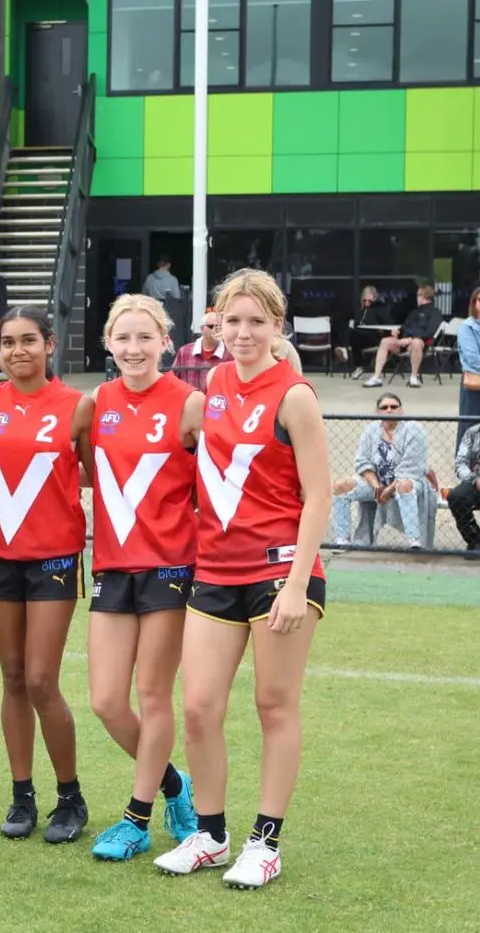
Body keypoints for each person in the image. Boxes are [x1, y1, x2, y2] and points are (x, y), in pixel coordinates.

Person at [154, 269, 329, 889]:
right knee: (199, 707)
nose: (244, 332)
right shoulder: (210, 387)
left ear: (278, 327)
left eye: (257, 321)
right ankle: (211, 834)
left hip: (280, 570)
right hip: (216, 572)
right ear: (216, 324)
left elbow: (318, 497)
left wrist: (296, 583)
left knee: (273, 705)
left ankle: (267, 842)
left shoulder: (295, 395)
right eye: (233, 321)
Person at [0, 306, 92, 845]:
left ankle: (71, 796)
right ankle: (22, 794)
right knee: (14, 677)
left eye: (28, 341)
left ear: (50, 344)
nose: (18, 351)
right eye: (8, 342)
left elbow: (97, 473)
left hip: (54, 557)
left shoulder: (76, 406)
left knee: (42, 679)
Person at [85, 293, 201, 862]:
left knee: (153, 695)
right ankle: (175, 786)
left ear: (165, 343)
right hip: (111, 566)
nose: (133, 348)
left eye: (144, 338)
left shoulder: (189, 403)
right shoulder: (97, 401)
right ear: (109, 343)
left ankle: (137, 818)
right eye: (123, 338)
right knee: (106, 700)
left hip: (170, 568)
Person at [329, 393, 429, 549]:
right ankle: (342, 540)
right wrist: (376, 486)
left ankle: (415, 541)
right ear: (378, 411)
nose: (389, 410)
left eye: (394, 407)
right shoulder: (371, 430)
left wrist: (389, 489)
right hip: (377, 484)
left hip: (409, 482)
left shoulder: (414, 429)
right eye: (384, 407)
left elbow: (410, 468)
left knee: (403, 485)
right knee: (340, 485)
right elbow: (362, 461)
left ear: (401, 410)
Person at [364, 284, 442, 389]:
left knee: (416, 343)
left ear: (423, 296)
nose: (416, 297)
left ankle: (414, 377)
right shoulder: (414, 312)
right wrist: (397, 332)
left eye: (418, 295)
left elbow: (430, 332)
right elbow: (405, 326)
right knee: (385, 341)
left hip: (420, 344)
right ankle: (376, 377)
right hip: (403, 342)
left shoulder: (434, 312)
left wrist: (410, 339)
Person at [170, 307, 231, 391]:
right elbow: (173, 380)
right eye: (212, 326)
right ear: (202, 329)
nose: (217, 330)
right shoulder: (185, 351)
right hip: (189, 402)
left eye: (220, 327)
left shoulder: (230, 354)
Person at [448, 420, 480, 554]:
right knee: (456, 497)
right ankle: (476, 541)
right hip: (476, 481)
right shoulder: (473, 432)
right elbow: (460, 463)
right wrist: (475, 480)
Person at [343, 286, 386, 380]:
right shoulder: (360, 310)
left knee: (355, 336)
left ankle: (345, 351)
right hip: (360, 336)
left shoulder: (379, 309)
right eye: (365, 300)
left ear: (374, 299)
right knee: (352, 333)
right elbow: (356, 323)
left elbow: (381, 324)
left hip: (373, 336)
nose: (367, 303)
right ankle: (357, 365)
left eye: (369, 301)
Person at [458, 286, 480, 448]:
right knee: (471, 428)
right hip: (475, 384)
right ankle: (466, 468)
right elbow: (473, 360)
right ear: (474, 303)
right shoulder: (468, 327)